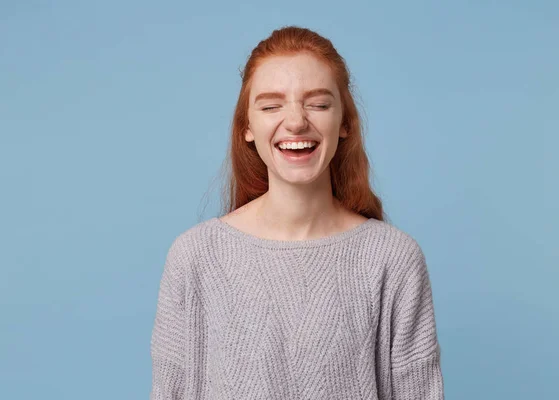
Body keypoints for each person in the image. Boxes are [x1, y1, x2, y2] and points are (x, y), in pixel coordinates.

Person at [150, 26, 444, 399]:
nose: (295, 121)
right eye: (271, 105)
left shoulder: (392, 259)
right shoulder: (196, 258)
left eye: (318, 104)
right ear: (247, 128)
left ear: (345, 125)